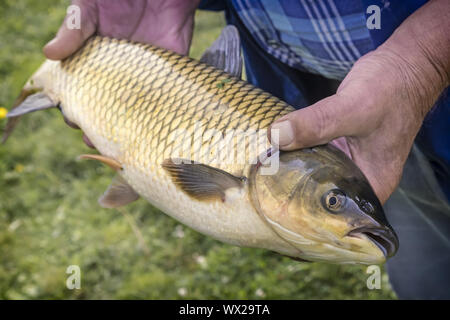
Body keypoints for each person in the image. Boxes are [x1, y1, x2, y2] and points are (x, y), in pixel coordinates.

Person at [44, 0, 450, 299]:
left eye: (332, 201)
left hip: (423, 83)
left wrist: (425, 63)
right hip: (302, 88)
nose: (337, 206)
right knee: (423, 262)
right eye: (332, 201)